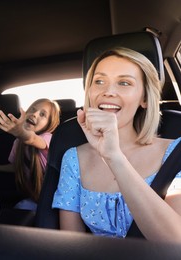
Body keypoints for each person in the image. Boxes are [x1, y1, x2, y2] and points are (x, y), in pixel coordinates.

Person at [52, 47, 181, 242]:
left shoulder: (175, 154)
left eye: (124, 82)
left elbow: (175, 242)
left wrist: (114, 157)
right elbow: (71, 243)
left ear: (144, 98)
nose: (108, 92)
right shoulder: (73, 158)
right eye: (99, 81)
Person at [0, 98, 60, 210]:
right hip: (34, 197)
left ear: (49, 124)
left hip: (54, 199)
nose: (34, 114)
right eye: (32, 110)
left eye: (42, 114)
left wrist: (20, 132)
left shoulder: (48, 139)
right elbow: (17, 166)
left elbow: (32, 139)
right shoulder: (18, 142)